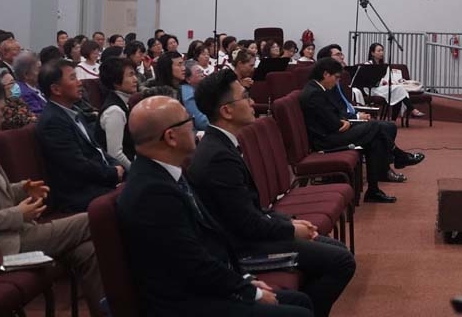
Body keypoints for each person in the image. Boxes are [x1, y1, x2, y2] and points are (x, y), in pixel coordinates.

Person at [116, 96, 314, 317]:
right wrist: (249, 291)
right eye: (189, 122)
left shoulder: (165, 173)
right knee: (299, 313)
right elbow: (192, 263)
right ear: (171, 136)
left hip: (204, 285)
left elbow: (208, 244)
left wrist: (244, 279)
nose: (195, 129)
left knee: (301, 301)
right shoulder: (151, 193)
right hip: (186, 302)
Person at [190, 71, 356, 317]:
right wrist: (290, 229)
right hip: (243, 249)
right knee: (341, 261)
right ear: (227, 111)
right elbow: (245, 223)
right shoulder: (217, 158)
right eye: (245, 96)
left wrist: (290, 222)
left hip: (251, 235)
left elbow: (249, 209)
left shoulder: (222, 146)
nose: (251, 102)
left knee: (335, 249)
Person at [0, 75, 106, 315]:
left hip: (14, 233)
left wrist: (21, 188)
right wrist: (17, 214)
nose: (4, 116)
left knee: (89, 250)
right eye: (1, 110)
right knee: (94, 218)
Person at [300, 59, 399, 203]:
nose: (337, 81)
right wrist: (342, 122)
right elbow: (334, 124)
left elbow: (334, 115)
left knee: (374, 139)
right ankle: (397, 154)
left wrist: (343, 121)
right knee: (374, 126)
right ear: (326, 74)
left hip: (330, 134)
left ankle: (373, 191)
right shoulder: (314, 93)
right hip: (325, 141)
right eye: (336, 77)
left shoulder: (316, 89)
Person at [316, 45, 423, 173]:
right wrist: (356, 117)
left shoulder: (335, 80)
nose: (342, 57)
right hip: (339, 128)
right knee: (376, 128)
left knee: (389, 126)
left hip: (347, 119)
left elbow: (343, 105)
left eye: (341, 54)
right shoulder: (325, 85)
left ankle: (386, 167)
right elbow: (335, 111)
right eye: (338, 54)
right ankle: (394, 160)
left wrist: (356, 113)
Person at [36, 60, 123, 213]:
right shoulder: (53, 122)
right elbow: (78, 166)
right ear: (56, 89)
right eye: (73, 78)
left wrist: (117, 166)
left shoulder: (74, 111)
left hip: (101, 181)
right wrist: (112, 173)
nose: (79, 83)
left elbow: (97, 149)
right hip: (81, 193)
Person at [360, 43, 423, 118]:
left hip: (384, 87)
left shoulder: (384, 65)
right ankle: (412, 109)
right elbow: (367, 79)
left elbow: (389, 77)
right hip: (372, 89)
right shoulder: (368, 64)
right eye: (379, 51)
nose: (381, 53)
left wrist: (390, 82)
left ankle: (395, 119)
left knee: (398, 93)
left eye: (382, 50)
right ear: (372, 53)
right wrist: (383, 82)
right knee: (398, 90)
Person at [98, 57, 140, 169]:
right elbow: (115, 154)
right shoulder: (114, 111)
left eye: (134, 74)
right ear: (116, 82)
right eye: (130, 75)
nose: (135, 79)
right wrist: (136, 173)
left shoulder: (124, 103)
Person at [180, 60, 210, 130]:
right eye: (199, 72)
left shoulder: (196, 89)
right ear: (188, 79)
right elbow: (202, 123)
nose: (203, 74)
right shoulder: (188, 93)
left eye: (202, 71)